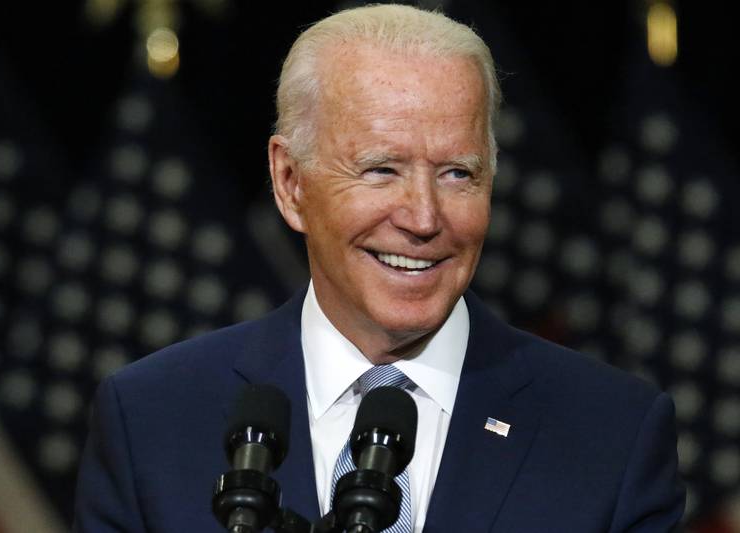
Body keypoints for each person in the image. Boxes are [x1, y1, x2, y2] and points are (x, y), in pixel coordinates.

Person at [74, 4, 685, 532]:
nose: (423, 218)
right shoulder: (152, 419)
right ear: (290, 184)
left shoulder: (613, 435)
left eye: (458, 174)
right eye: (380, 170)